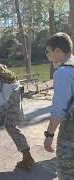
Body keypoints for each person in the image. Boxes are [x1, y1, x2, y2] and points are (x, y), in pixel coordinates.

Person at [43, 32, 74, 180]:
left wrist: (49, 135)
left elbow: (58, 111)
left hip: (70, 136)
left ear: (58, 51)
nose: (48, 56)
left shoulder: (63, 73)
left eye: (48, 52)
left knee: (67, 174)